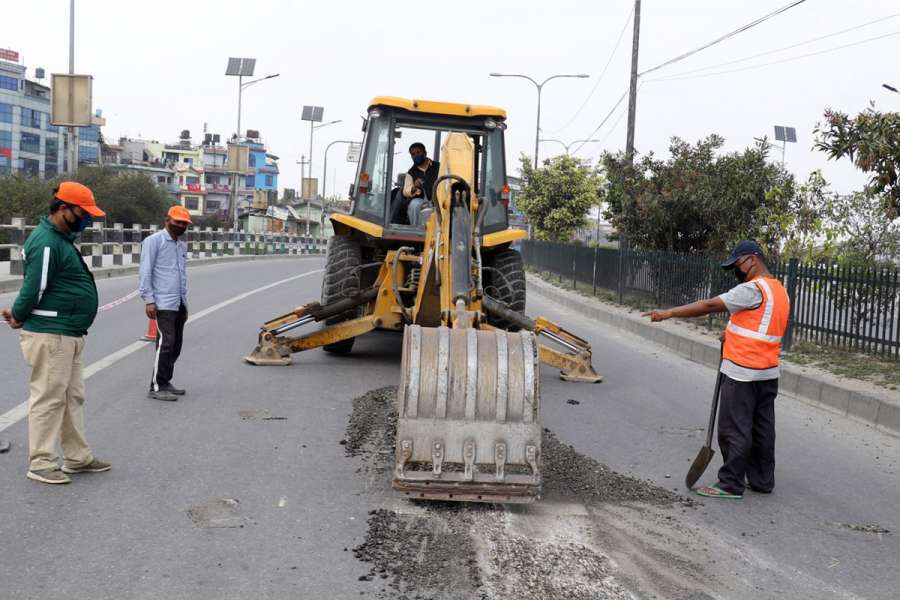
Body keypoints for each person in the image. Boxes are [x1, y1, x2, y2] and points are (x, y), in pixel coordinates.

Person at [643, 240, 790, 499]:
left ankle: (730, 483)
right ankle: (762, 480)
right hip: (767, 372)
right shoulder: (779, 291)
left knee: (734, 427)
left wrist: (668, 314)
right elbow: (760, 325)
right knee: (762, 428)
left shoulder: (753, 289)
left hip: (742, 371)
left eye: (737, 264)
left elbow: (711, 305)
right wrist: (730, 333)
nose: (736, 270)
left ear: (751, 260)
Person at [1, 182, 111, 485]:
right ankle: (41, 462)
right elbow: (34, 286)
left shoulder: (60, 238)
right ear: (64, 209)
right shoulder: (47, 242)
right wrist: (19, 315)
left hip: (68, 333)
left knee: (72, 397)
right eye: (83, 214)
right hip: (52, 334)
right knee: (49, 398)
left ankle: (77, 457)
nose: (87, 221)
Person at [139, 205, 192, 402]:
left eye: (184, 223)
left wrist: (184, 303)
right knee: (165, 343)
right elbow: (145, 271)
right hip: (162, 303)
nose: (181, 226)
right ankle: (156, 386)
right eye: (177, 222)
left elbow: (181, 275)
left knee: (176, 344)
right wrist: (149, 300)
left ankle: (166, 381)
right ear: (167, 220)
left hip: (179, 302)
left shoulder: (180, 245)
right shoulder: (153, 241)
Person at [402, 142, 440, 226]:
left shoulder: (438, 167)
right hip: (422, 201)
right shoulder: (411, 173)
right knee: (414, 204)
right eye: (413, 154)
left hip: (439, 200)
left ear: (425, 152)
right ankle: (415, 230)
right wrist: (414, 186)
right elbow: (406, 191)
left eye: (418, 152)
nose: (416, 155)